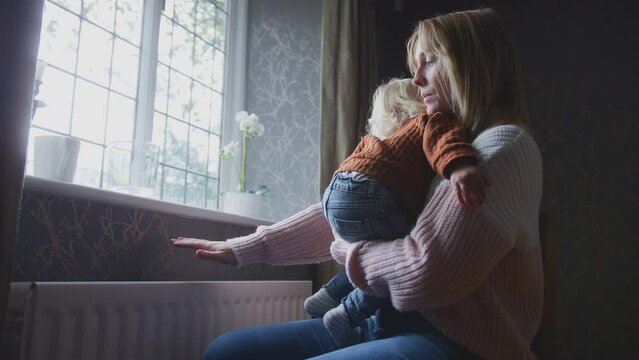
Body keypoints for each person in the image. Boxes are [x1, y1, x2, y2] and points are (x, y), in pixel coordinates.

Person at [172, 7, 543, 360]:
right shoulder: (440, 141)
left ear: (472, 63)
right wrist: (244, 249)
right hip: (384, 321)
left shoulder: (500, 147)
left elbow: (426, 274)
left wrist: (346, 251)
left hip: (461, 343)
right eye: (417, 64)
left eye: (431, 60)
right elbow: (351, 213)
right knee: (226, 352)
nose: (417, 79)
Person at [304, 76, 490, 348]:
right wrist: (459, 166)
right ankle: (346, 314)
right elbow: (444, 140)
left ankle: (329, 293)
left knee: (372, 251)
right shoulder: (430, 119)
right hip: (373, 192)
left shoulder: (381, 141)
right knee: (396, 260)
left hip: (335, 190)